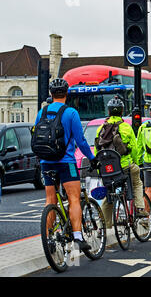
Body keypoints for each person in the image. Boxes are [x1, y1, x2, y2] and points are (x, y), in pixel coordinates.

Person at [34, 78, 97, 251]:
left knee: (50, 199)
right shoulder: (71, 113)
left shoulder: (42, 112)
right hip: (65, 162)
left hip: (46, 162)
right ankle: (77, 236)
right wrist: (91, 157)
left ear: (51, 94)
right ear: (66, 94)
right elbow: (81, 141)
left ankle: (49, 238)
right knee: (74, 198)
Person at [94, 97, 148, 229]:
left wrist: (99, 169)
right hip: (124, 167)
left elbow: (97, 150)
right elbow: (134, 149)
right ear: (122, 111)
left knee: (109, 193)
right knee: (137, 183)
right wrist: (136, 162)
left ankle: (104, 226)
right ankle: (140, 209)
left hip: (107, 169)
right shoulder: (126, 127)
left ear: (109, 111)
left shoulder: (101, 128)